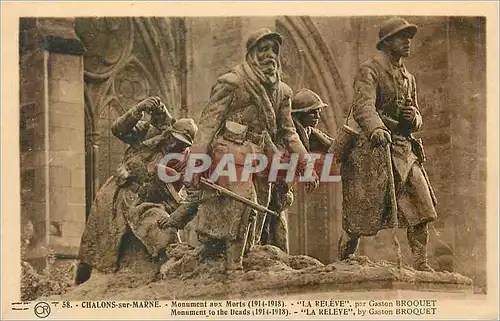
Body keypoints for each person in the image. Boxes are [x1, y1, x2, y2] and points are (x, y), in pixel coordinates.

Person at [189, 28, 318, 273]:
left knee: (261, 209)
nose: (270, 55)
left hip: (261, 154)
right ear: (251, 54)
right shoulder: (232, 82)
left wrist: (307, 165)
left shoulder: (283, 92)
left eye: (274, 50)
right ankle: (233, 267)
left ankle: (247, 258)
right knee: (244, 204)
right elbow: (208, 124)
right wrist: (196, 164)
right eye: (263, 49)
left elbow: (288, 132)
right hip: (230, 150)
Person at [339, 17, 438, 272]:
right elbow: (363, 106)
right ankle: (345, 258)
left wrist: (414, 118)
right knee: (361, 214)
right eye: (401, 37)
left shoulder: (409, 77)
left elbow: (416, 111)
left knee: (422, 205)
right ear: (386, 43)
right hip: (374, 149)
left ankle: (421, 262)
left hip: (404, 150)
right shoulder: (369, 70)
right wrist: (377, 129)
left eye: (409, 38)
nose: (407, 42)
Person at [76, 97, 199, 283]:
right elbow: (118, 129)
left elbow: (180, 190)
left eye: (182, 144)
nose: (176, 145)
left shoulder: (185, 160)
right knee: (93, 245)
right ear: (169, 132)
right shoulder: (148, 133)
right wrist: (138, 108)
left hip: (151, 203)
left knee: (166, 236)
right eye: (175, 139)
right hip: (117, 194)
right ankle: (79, 285)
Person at [261, 89, 334, 253]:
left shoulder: (307, 131)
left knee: (278, 231)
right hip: (272, 186)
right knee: (266, 229)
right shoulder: (288, 134)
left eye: (318, 113)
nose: (317, 117)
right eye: (313, 113)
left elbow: (331, 146)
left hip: (282, 190)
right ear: (300, 115)